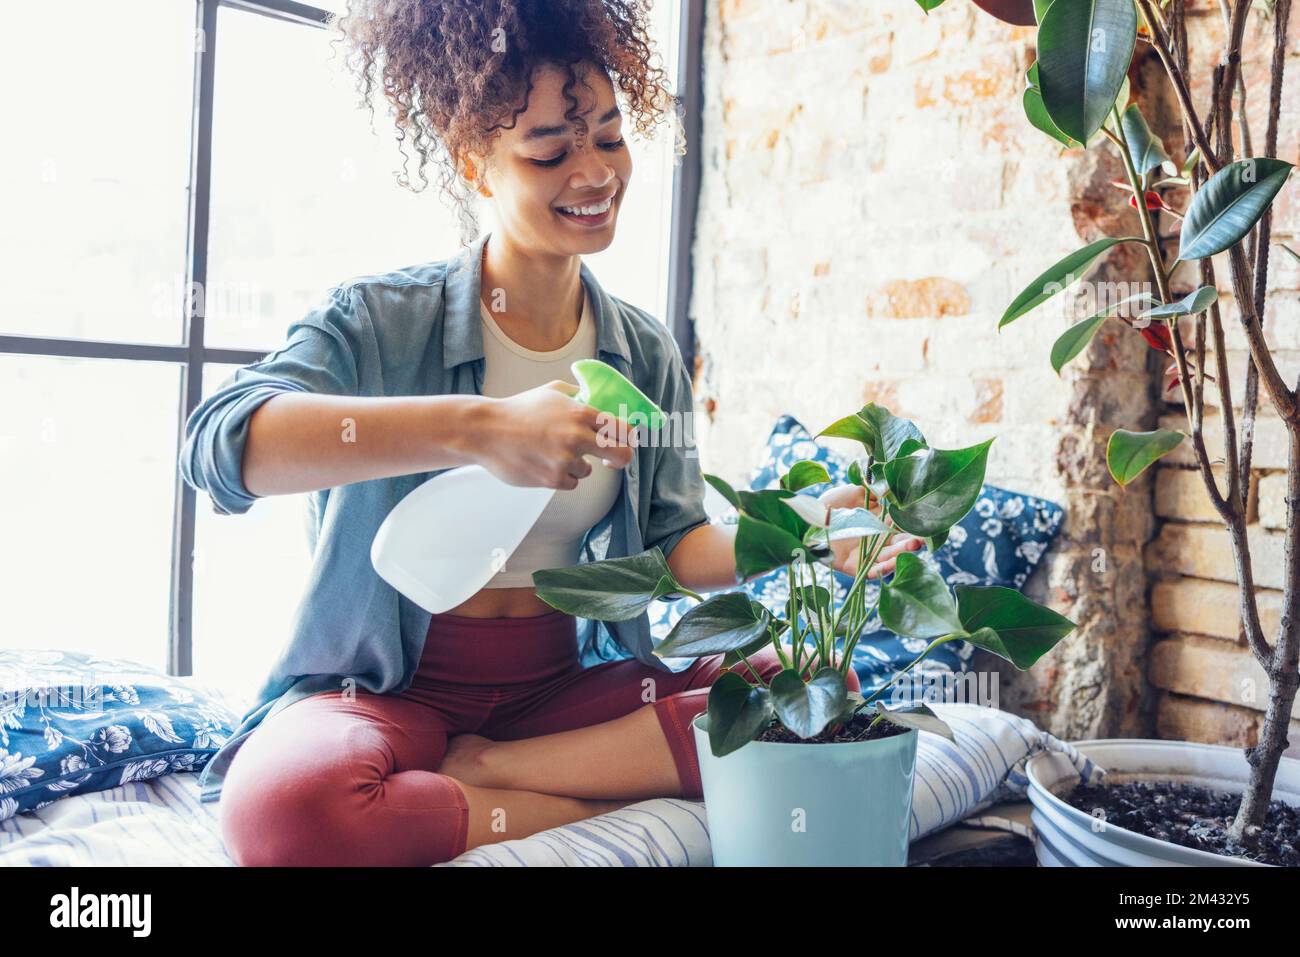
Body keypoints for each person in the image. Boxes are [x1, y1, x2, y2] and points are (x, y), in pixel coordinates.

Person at [179, 0, 923, 866]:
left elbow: (675, 547)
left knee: (804, 691)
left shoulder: (643, 352)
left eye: (610, 138)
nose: (595, 172)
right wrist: (483, 428)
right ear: (475, 163)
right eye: (551, 150)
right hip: (386, 689)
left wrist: (804, 524)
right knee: (285, 812)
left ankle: (495, 768)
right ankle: (555, 796)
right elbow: (220, 447)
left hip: (556, 690)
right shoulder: (380, 321)